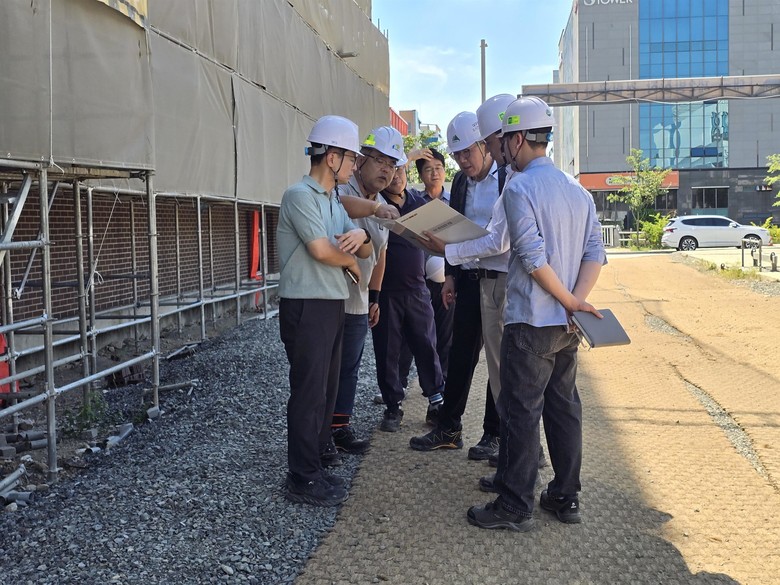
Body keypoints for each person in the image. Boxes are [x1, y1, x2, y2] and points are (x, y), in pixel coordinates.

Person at [466, 97, 606, 531]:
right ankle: (565, 496)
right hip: (566, 326)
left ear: (518, 139)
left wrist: (568, 301)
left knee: (520, 412)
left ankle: (514, 504)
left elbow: (530, 256)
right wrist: (575, 303)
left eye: (505, 139)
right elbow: (594, 253)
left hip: (530, 320)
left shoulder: (519, 188)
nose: (501, 149)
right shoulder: (578, 191)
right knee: (564, 408)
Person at [276, 115, 373, 507]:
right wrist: (351, 262)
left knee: (326, 389)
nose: (355, 165)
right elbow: (320, 249)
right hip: (307, 304)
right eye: (351, 158)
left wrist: (361, 234)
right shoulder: (299, 196)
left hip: (331, 303)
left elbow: (364, 247)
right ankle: (302, 476)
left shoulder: (332, 199)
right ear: (332, 157)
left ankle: (315, 460)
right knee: (309, 391)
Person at [409, 111, 502, 457]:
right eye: (457, 155)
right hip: (468, 279)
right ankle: (449, 428)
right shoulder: (461, 182)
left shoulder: (508, 177)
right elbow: (454, 228)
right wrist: (451, 274)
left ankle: (494, 434)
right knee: (460, 356)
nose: (463, 161)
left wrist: (450, 254)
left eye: (468, 152)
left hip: (499, 281)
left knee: (498, 362)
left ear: (484, 145)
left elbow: (500, 240)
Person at [328, 126, 406, 458]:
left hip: (359, 300)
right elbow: (339, 205)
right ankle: (319, 432)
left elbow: (381, 255)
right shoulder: (340, 188)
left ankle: (339, 428)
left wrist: (375, 297)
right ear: (361, 160)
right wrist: (374, 210)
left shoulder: (384, 205)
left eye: (393, 164)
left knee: (349, 368)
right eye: (380, 161)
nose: (387, 170)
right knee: (326, 367)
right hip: (330, 297)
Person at [372, 163, 445, 432]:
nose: (397, 176)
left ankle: (436, 401)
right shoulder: (376, 203)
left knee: (426, 345)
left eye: (401, 170)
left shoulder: (419, 203)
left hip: (418, 290)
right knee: (387, 351)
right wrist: (373, 296)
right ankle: (393, 406)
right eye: (392, 170)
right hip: (386, 292)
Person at [395, 148, 454, 396]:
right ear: (420, 174)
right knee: (411, 335)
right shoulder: (414, 201)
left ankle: (443, 384)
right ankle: (399, 383)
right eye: (428, 169)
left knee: (445, 334)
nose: (434, 173)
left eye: (438, 168)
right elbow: (396, 176)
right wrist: (410, 157)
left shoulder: (455, 200)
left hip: (446, 279)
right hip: (418, 279)